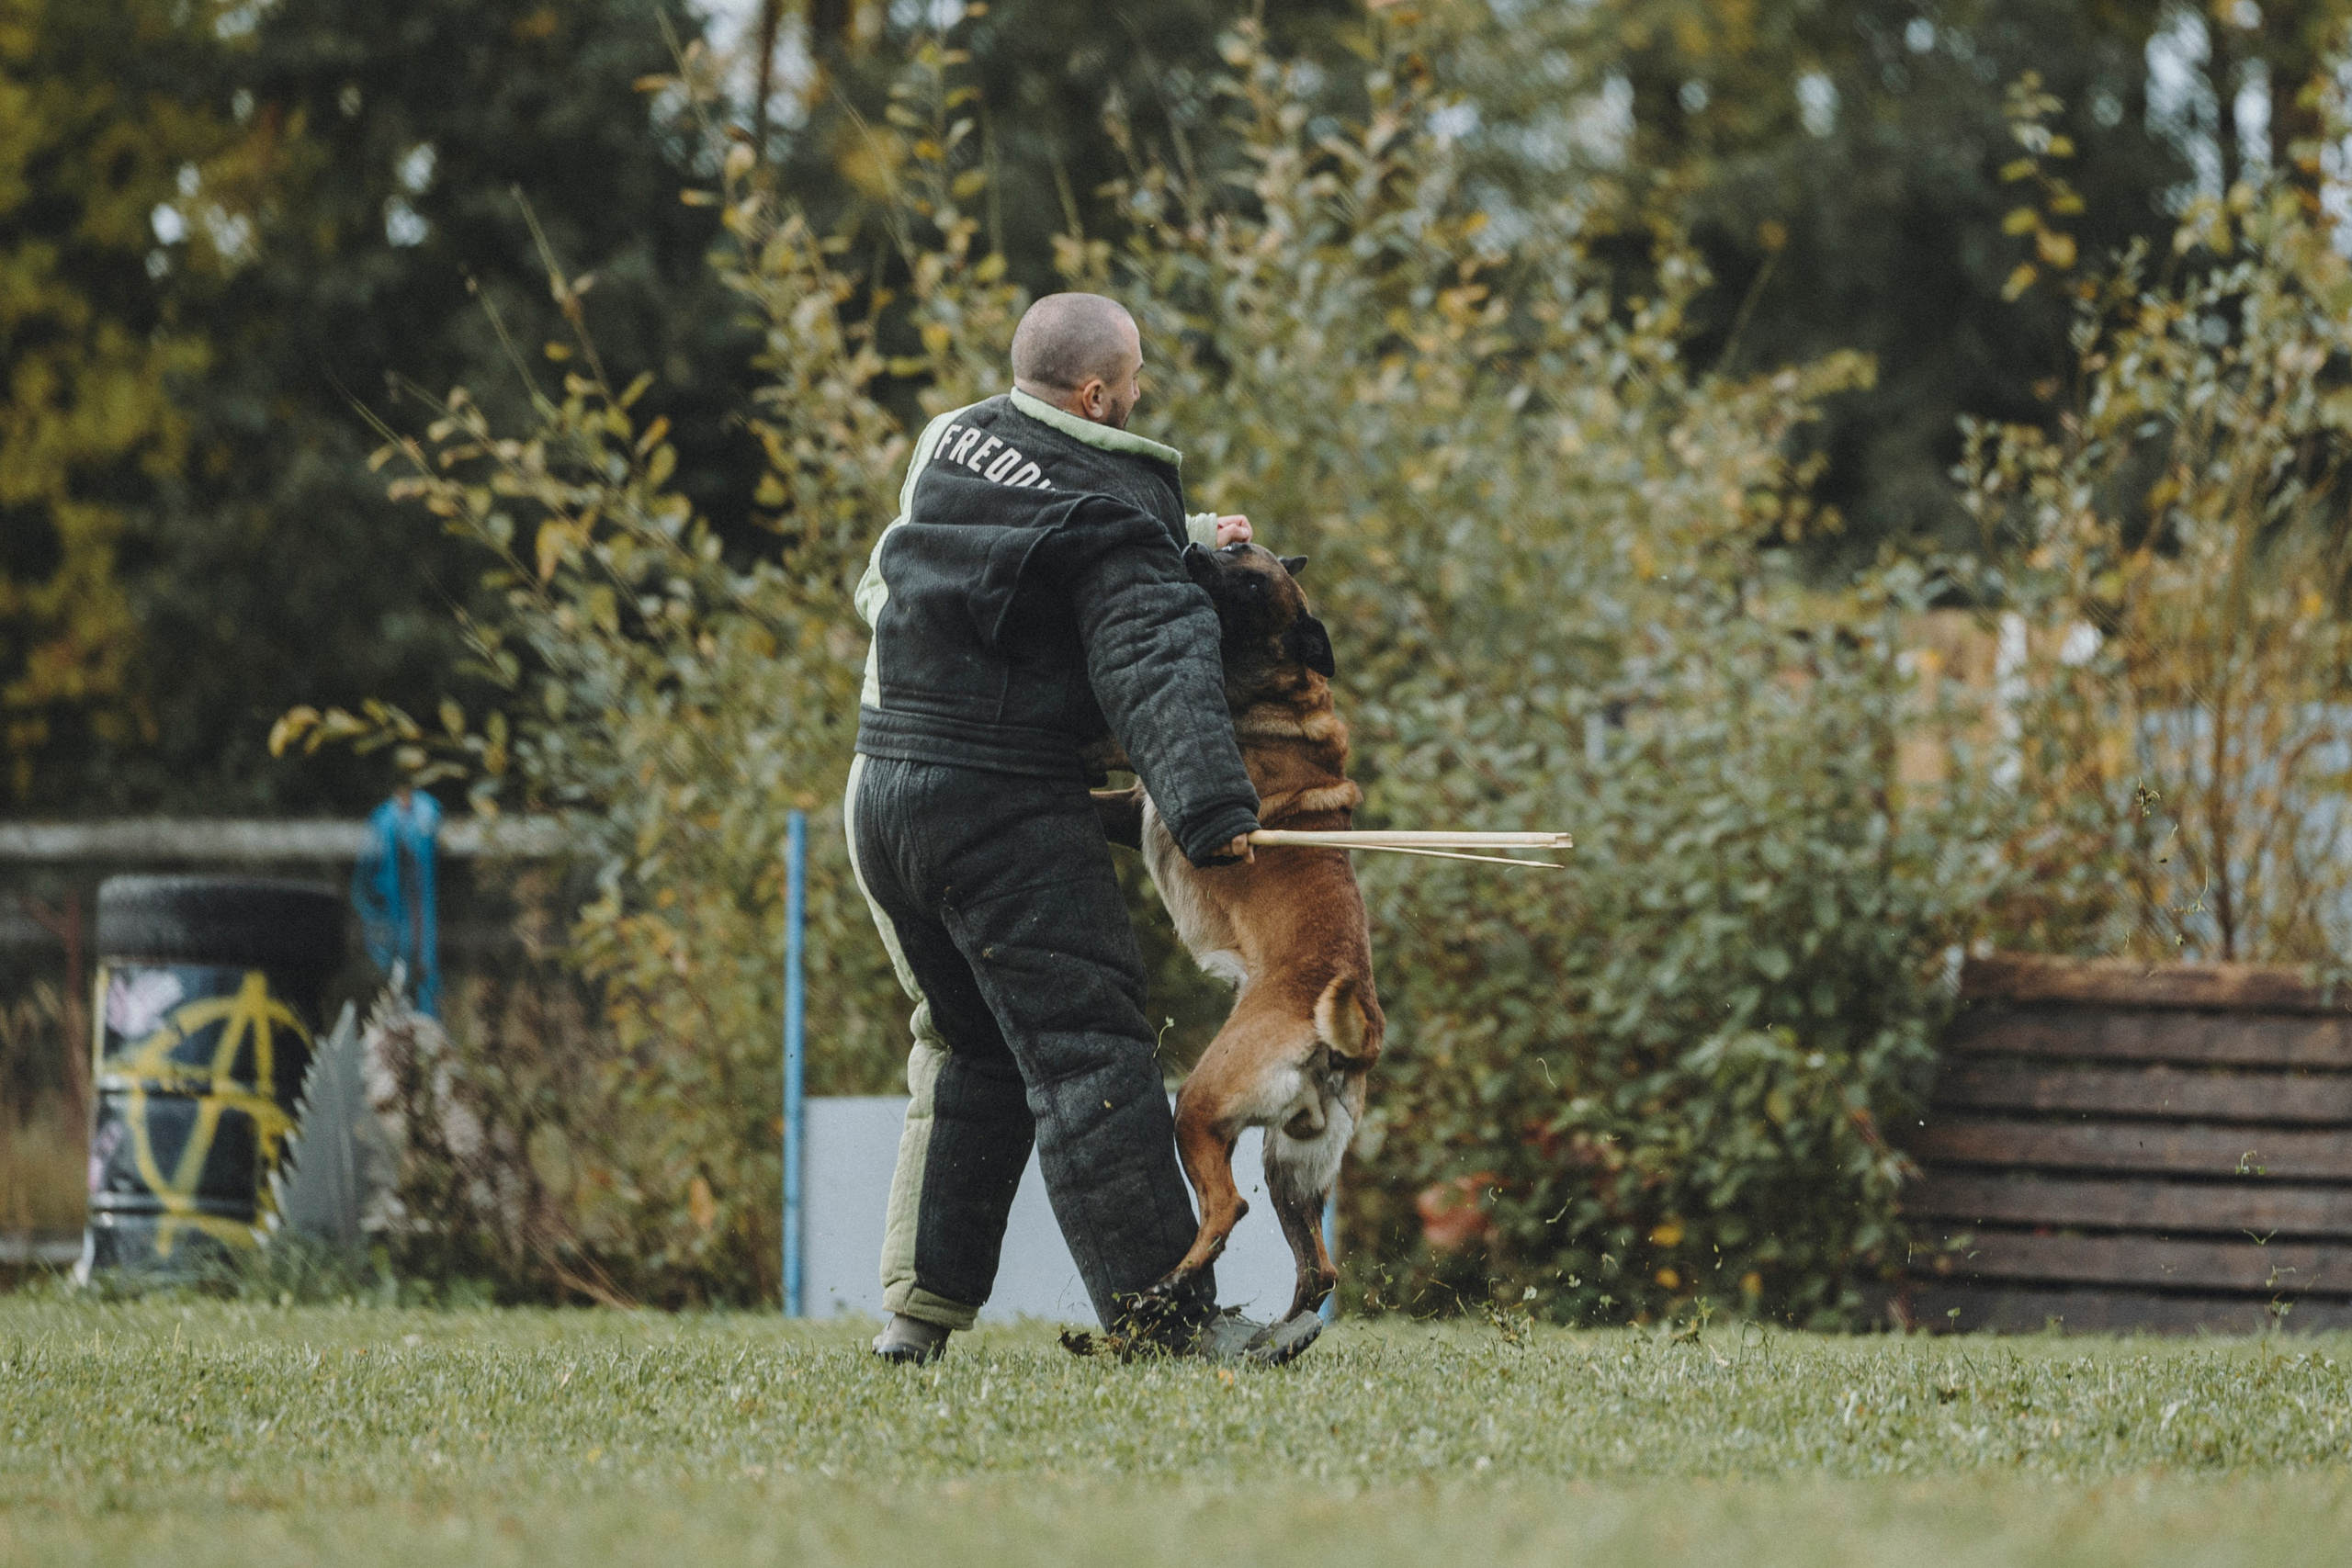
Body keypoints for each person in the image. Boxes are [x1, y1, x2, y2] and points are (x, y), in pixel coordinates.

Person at [846, 292, 1319, 1366]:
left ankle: (912, 1320)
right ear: (1099, 393)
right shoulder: (1113, 504)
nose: (1141, 393)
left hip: (880, 791)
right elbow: (1152, 654)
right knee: (1086, 1057)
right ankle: (1169, 1329)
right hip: (999, 806)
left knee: (969, 1050)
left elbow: (985, 559)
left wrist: (1187, 542)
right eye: (1136, 377)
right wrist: (1211, 810)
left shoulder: (950, 442)